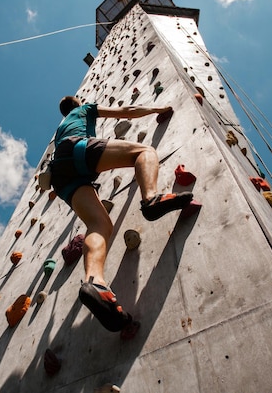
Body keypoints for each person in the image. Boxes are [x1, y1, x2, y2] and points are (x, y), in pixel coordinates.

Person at [50, 96, 193, 332]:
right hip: (77, 150)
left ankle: (94, 282)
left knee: (99, 225)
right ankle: (151, 198)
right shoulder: (84, 110)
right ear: (77, 104)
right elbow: (127, 109)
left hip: (60, 176)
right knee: (143, 152)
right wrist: (157, 108)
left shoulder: (60, 128)